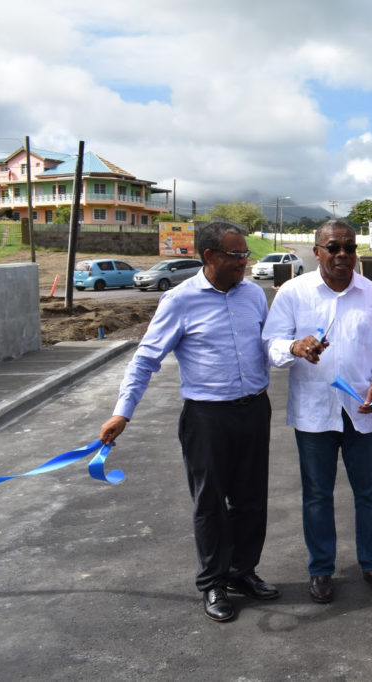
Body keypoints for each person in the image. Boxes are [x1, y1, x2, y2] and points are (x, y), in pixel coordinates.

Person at [99, 222, 278, 623]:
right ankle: (213, 582)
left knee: (251, 501)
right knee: (210, 502)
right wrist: (122, 411)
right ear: (209, 256)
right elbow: (146, 359)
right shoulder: (179, 300)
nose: (244, 262)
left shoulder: (254, 296)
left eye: (245, 254)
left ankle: (241, 573)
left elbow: (268, 344)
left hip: (253, 410)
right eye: (235, 255)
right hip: (207, 417)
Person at [261, 220, 372, 604]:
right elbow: (271, 344)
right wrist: (294, 347)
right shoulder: (293, 293)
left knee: (371, 494)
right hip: (314, 413)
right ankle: (321, 569)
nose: (343, 255)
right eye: (334, 248)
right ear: (317, 251)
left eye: (349, 248)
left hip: (362, 410)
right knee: (317, 495)